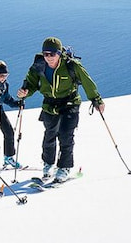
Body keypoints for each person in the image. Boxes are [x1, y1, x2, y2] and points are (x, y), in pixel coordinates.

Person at [16, 37, 105, 182]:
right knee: (49, 136)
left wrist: (96, 100)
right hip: (50, 105)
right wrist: (25, 92)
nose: (49, 57)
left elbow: (87, 82)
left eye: (52, 54)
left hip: (70, 103)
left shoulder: (71, 65)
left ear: (59, 53)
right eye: (46, 54)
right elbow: (31, 84)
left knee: (65, 135)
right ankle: (48, 164)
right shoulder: (38, 66)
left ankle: (64, 167)